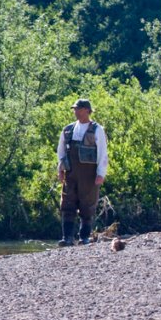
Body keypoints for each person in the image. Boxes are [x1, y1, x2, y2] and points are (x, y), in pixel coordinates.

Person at [57, 99, 108, 246]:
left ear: (87, 110)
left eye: (78, 109)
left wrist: (101, 173)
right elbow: (61, 152)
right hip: (70, 172)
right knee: (67, 203)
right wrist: (60, 169)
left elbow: (102, 154)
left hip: (90, 174)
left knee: (87, 204)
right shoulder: (67, 130)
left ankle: (84, 237)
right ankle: (67, 238)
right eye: (74, 109)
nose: (75, 112)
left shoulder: (97, 129)